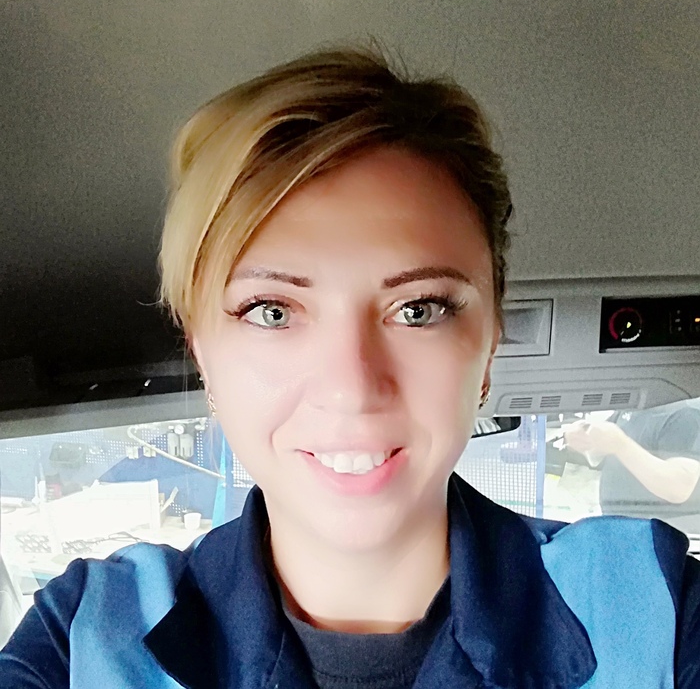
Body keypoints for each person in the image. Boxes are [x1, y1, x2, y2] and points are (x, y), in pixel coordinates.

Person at [2, 46, 700, 688]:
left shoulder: (657, 611)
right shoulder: (84, 639)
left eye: (418, 309)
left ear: (489, 339)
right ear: (201, 351)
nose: (352, 388)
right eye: (271, 311)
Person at [564, 399, 700, 534]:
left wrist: (621, 445)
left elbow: (679, 487)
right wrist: (580, 438)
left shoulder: (686, 413)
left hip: (659, 537)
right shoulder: (636, 404)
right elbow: (604, 445)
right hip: (621, 530)